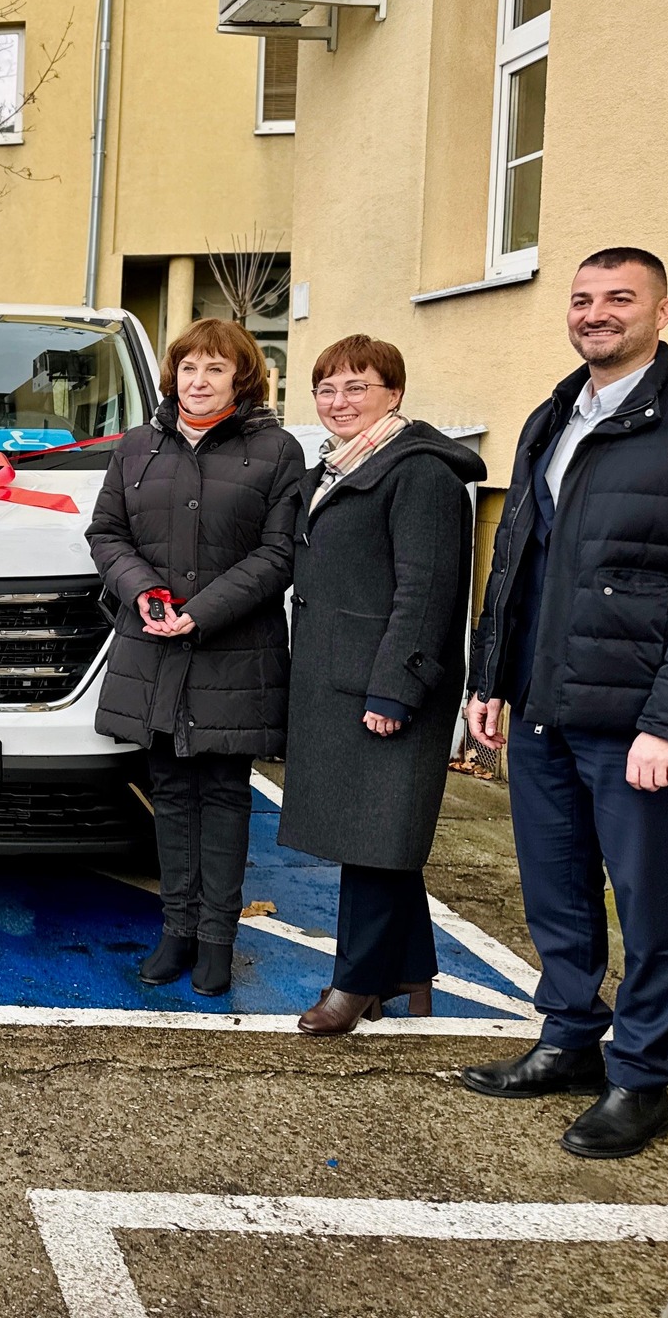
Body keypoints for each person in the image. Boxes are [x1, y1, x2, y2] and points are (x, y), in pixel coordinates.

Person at [461, 248, 668, 1160]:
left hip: (636, 722)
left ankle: (642, 1079)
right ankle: (569, 1038)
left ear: (664, 310)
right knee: (557, 891)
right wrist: (488, 682)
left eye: (619, 298)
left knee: (650, 904)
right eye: (582, 299)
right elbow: (517, 563)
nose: (595, 313)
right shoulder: (554, 413)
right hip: (538, 707)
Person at [86, 318, 303, 997]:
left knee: (225, 795)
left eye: (215, 369)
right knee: (171, 795)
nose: (199, 381)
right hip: (152, 649)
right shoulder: (137, 447)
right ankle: (175, 931)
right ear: (171, 375)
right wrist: (143, 589)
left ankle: (217, 938)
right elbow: (107, 532)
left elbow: (279, 553)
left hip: (232, 652)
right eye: (188, 368)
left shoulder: (276, 451)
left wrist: (200, 610)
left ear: (242, 376)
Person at [277, 336, 485, 1035]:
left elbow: (426, 593)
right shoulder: (340, 467)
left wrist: (396, 690)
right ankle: (407, 971)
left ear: (393, 393)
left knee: (374, 836)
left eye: (356, 387)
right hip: (343, 680)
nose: (339, 401)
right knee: (379, 833)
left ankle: (354, 984)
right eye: (326, 389)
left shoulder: (418, 474)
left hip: (388, 685)